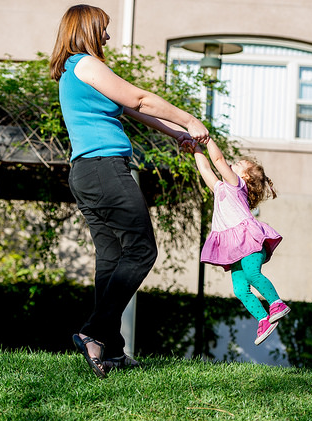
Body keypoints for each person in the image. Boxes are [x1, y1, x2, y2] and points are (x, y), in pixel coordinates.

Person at [49, 4, 209, 378]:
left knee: (111, 258)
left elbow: (132, 110)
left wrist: (176, 134)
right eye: (103, 29)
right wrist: (190, 118)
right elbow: (140, 98)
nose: (107, 35)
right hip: (105, 170)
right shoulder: (87, 64)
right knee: (141, 250)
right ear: (87, 29)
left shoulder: (74, 71)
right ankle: (93, 331)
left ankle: (113, 352)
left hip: (86, 173)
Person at [182, 138, 290, 345]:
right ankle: (263, 319)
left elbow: (217, 159)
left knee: (252, 274)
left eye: (239, 164)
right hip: (235, 248)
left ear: (245, 177)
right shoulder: (221, 188)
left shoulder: (236, 184)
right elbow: (206, 169)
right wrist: (195, 149)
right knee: (240, 289)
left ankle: (277, 303)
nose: (234, 163)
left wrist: (207, 140)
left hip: (248, 241)